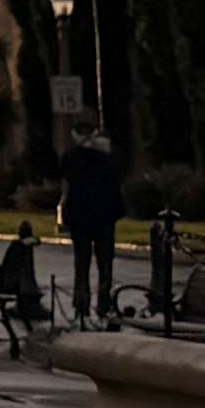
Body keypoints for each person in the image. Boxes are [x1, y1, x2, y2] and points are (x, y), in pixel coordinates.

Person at [60, 125, 129, 322]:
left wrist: (65, 213)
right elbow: (118, 179)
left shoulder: (71, 157)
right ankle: (104, 304)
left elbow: (67, 185)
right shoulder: (110, 155)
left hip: (81, 216)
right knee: (105, 263)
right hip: (105, 214)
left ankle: (81, 304)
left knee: (81, 263)